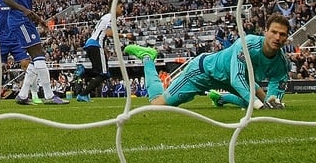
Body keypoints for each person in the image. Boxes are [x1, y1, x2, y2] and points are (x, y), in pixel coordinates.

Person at [124, 14, 290, 109]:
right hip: (202, 72)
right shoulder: (246, 44)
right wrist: (259, 104)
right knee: (157, 105)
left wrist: (272, 100)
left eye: (282, 34)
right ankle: (147, 57)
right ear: (265, 31)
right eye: (274, 32)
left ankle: (219, 98)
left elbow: (275, 89)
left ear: (287, 37)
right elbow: (237, 77)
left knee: (260, 102)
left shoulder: (282, 62)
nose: (277, 37)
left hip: (231, 79)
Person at [2, 0, 68, 105]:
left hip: (26, 20)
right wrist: (23, 10)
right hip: (19, 20)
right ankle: (49, 95)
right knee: (38, 54)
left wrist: (39, 20)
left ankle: (23, 95)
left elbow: (27, 7)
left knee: (36, 57)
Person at [77, 0, 130, 102]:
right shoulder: (111, 17)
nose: (123, 9)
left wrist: (105, 49)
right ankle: (83, 93)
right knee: (104, 74)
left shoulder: (105, 17)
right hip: (96, 45)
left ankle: (84, 73)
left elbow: (103, 34)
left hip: (92, 44)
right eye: (121, 7)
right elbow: (109, 33)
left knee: (100, 72)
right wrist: (125, 35)